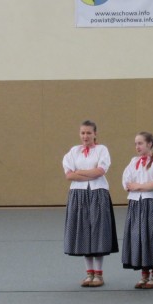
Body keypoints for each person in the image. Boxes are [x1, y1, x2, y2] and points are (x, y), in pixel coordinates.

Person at [62, 120, 118, 288]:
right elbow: (69, 175)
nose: (85, 136)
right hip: (78, 195)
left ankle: (99, 274)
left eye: (88, 133)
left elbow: (100, 171)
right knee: (84, 231)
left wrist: (79, 172)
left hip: (97, 193)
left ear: (95, 134)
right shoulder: (73, 151)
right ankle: (89, 273)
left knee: (98, 231)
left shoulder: (102, 150)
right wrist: (88, 174)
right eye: (82, 133)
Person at [121, 131, 153, 289]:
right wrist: (140, 187)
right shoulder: (133, 162)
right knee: (139, 237)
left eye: (140, 143)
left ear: (150, 144)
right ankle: (144, 274)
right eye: (136, 144)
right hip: (137, 204)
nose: (137, 146)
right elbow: (126, 182)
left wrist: (139, 186)